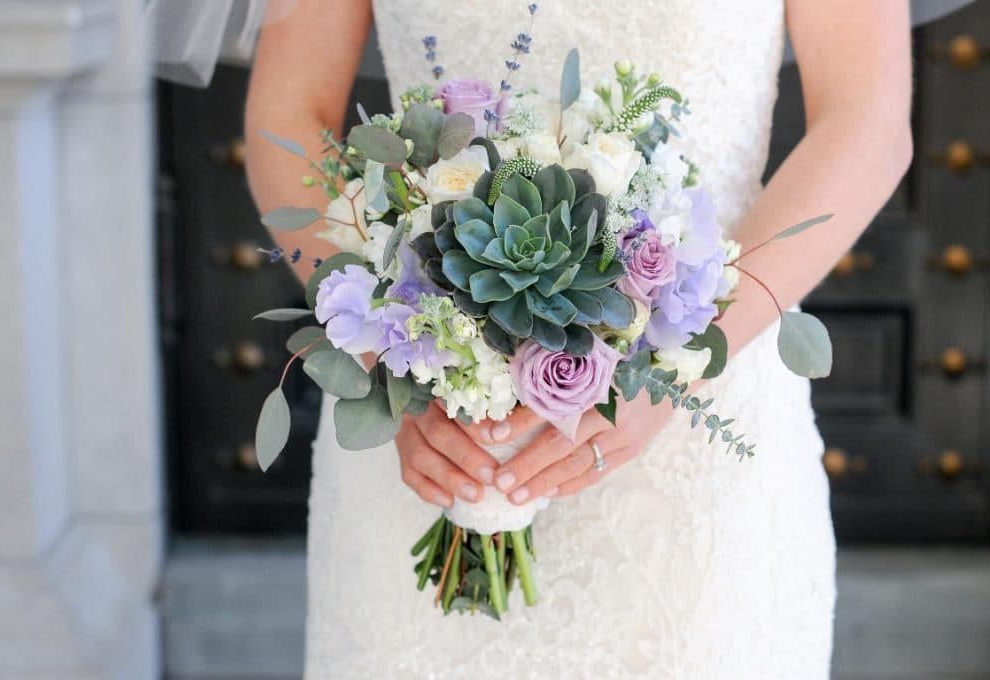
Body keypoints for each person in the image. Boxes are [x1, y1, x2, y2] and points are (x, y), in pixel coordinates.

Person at [243, 1, 912, 677]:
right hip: (423, 425)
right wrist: (385, 350)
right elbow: (287, 116)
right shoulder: (399, 372)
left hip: (700, 436)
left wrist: (681, 362)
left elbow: (867, 119)